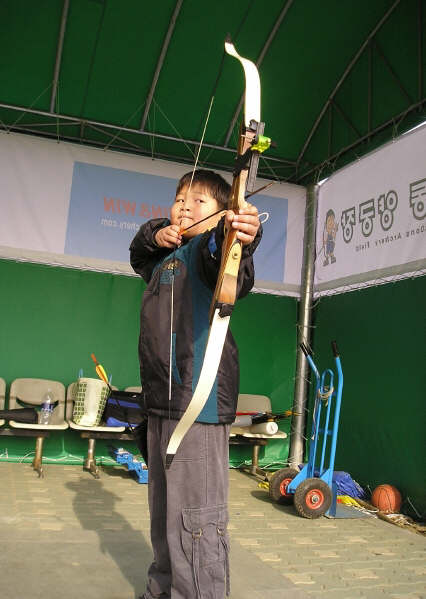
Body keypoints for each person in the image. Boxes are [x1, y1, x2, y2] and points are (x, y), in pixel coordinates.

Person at [130, 169, 262, 599]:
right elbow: (138, 251)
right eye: (179, 200)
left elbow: (227, 258)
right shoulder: (163, 259)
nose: (185, 207)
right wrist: (157, 234)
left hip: (197, 410)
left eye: (198, 201)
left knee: (196, 523)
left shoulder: (208, 255)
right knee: (164, 518)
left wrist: (239, 232)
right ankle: (161, 590)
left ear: (222, 213)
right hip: (161, 407)